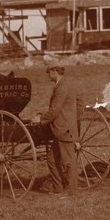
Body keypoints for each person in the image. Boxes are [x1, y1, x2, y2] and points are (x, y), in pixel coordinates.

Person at [33, 62, 79, 195]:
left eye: (49, 72)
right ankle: (59, 188)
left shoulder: (62, 87)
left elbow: (55, 110)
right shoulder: (63, 85)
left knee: (68, 162)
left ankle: (72, 191)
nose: (48, 75)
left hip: (64, 129)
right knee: (52, 160)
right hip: (62, 128)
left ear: (55, 71)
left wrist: (41, 119)